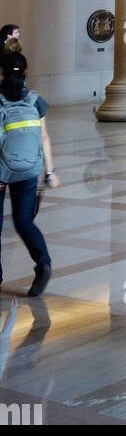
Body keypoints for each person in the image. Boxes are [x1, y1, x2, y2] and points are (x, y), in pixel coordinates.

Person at [0, 43, 58, 296]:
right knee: (24, 221)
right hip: (29, 170)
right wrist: (50, 172)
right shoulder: (35, 100)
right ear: (25, 73)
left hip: (1, 172)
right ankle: (43, 263)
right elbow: (44, 137)